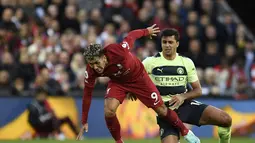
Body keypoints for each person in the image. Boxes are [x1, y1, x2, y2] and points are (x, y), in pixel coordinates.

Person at [76, 24, 200, 143]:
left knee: (162, 110)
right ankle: (119, 141)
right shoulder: (91, 71)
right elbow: (87, 94)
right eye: (91, 64)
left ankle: (185, 132)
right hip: (118, 82)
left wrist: (146, 31)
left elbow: (131, 36)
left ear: (103, 57)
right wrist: (84, 121)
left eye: (97, 63)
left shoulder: (117, 51)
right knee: (109, 110)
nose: (95, 67)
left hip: (139, 78)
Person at [141, 28, 232, 143]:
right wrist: (131, 90)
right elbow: (133, 77)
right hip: (166, 111)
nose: (167, 45)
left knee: (225, 119)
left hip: (186, 106)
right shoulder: (149, 62)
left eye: (171, 42)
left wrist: (182, 97)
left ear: (177, 44)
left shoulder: (186, 62)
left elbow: (198, 91)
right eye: (164, 42)